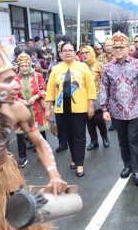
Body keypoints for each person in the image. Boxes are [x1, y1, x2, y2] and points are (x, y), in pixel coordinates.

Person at [0, 16, 66, 229]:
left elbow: (39, 142)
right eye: (8, 81)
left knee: (20, 224)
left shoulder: (17, 109)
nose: (17, 86)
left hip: (7, 179)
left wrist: (54, 174)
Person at [101, 31, 138, 187]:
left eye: (121, 47)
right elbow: (104, 89)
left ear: (128, 48)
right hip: (116, 110)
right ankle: (127, 165)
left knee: (133, 140)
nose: (118, 50)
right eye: (115, 47)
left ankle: (136, 171)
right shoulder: (107, 68)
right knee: (122, 141)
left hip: (135, 109)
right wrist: (104, 108)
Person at [45, 41, 96, 178]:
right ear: (60, 53)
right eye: (64, 50)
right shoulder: (56, 69)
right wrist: (47, 108)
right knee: (68, 135)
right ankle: (74, 157)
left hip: (79, 109)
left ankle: (79, 164)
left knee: (79, 136)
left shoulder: (83, 67)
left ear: (75, 52)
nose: (67, 52)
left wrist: (91, 105)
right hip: (61, 109)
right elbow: (50, 90)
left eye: (70, 50)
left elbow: (91, 87)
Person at [15, 51, 49, 168]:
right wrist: (21, 101)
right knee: (20, 134)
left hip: (36, 108)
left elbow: (44, 89)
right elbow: (12, 94)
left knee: (39, 131)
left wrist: (36, 96)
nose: (24, 68)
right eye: (22, 66)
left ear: (30, 65)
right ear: (19, 66)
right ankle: (22, 157)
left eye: (26, 66)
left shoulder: (37, 75)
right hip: (20, 110)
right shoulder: (15, 78)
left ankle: (43, 153)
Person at [79, 45, 109, 150]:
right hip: (84, 97)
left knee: (99, 119)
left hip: (98, 95)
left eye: (86, 52)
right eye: (82, 53)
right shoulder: (80, 66)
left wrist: (106, 97)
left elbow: (105, 82)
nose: (84, 55)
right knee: (89, 120)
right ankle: (94, 141)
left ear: (91, 53)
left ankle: (105, 138)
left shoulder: (99, 65)